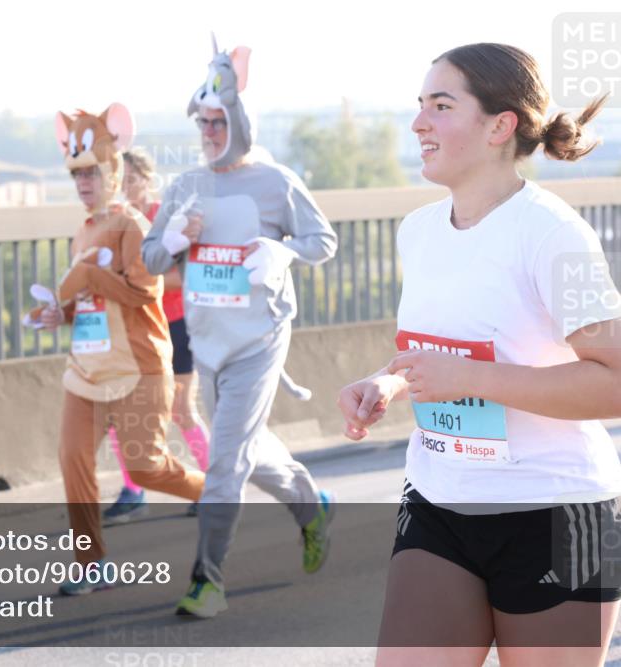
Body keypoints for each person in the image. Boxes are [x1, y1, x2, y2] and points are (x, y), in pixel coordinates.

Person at [337, 43, 621, 665]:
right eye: (420, 106)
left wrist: (471, 378)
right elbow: (440, 352)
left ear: (500, 125)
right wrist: (386, 384)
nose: (419, 123)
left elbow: (614, 382)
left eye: (441, 105)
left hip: (553, 511)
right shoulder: (418, 231)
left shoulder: (553, 235)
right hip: (440, 499)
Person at [142, 37, 338, 618]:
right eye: (201, 121)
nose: (207, 131)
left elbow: (322, 241)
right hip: (207, 343)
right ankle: (313, 506)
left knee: (224, 460)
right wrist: (175, 239)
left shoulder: (275, 182)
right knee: (244, 445)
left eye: (217, 120)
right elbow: (151, 258)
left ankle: (209, 580)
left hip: (259, 339)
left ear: (240, 122)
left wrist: (282, 254)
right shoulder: (185, 186)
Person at [34, 103, 205, 595]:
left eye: (92, 173)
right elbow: (89, 301)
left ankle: (216, 494)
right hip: (86, 371)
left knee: (148, 466)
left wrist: (88, 276)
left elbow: (144, 292)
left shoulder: (133, 225)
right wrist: (58, 313)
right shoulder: (84, 230)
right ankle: (92, 564)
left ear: (113, 171)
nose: (84, 183)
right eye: (77, 175)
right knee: (73, 458)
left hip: (138, 366)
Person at [103, 149, 211, 524]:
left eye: (133, 179)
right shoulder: (115, 222)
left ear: (148, 180)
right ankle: (133, 491)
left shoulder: (166, 218)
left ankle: (216, 489)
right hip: (136, 330)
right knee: (119, 413)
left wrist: (140, 281)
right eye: (120, 180)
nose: (126, 187)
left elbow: (186, 276)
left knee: (182, 411)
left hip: (177, 325)